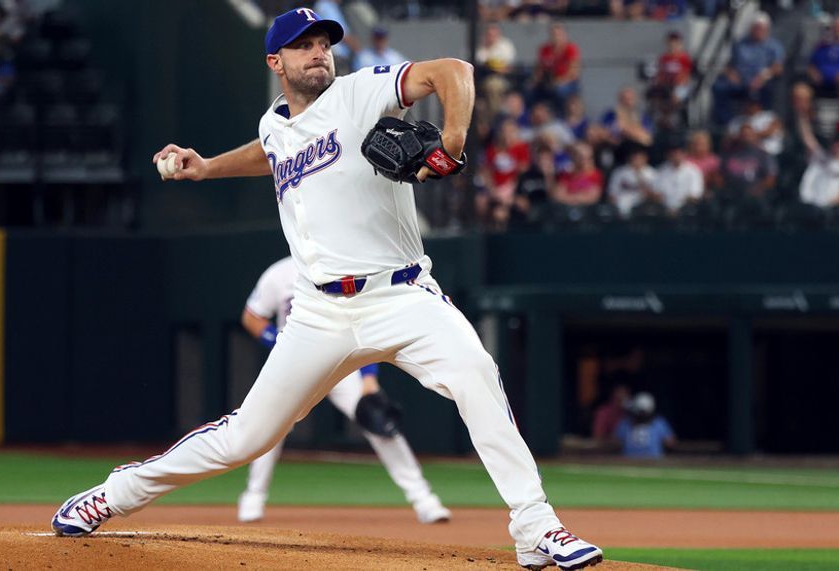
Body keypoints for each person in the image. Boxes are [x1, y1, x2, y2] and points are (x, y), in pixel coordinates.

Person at [50, 8, 603, 570]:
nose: (318, 52)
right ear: (276, 62)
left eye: (323, 43)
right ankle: (115, 495)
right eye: (302, 45)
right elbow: (271, 152)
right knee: (247, 438)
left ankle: (536, 528)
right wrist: (208, 167)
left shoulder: (360, 94)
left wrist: (453, 145)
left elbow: (453, 70)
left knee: (477, 375)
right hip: (318, 312)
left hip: (403, 295)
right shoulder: (275, 125)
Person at [236, 256, 451, 524]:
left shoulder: (347, 266)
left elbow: (365, 326)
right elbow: (252, 316)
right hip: (296, 364)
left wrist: (369, 379)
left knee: (377, 421)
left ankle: (424, 500)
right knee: (271, 427)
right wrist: (277, 341)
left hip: (341, 364)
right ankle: (253, 497)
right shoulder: (279, 273)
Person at [711, 12, 784, 125]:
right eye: (756, 28)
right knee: (719, 87)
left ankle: (762, 124)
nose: (758, 31)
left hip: (761, 82)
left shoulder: (774, 46)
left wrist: (764, 77)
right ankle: (727, 124)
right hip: (740, 80)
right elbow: (730, 64)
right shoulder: (741, 43)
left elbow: (778, 67)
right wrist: (731, 74)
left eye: (761, 28)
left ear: (767, 29)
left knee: (764, 92)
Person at [717, 124, 777, 200]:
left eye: (749, 135)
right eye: (743, 135)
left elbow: (771, 179)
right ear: (739, 137)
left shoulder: (763, 155)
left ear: (754, 136)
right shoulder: (729, 154)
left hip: (756, 193)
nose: (746, 137)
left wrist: (759, 189)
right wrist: (723, 188)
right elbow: (720, 175)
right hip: (732, 193)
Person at [531, 23, 580, 112]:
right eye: (553, 34)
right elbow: (539, 68)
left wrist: (558, 82)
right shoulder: (545, 49)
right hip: (549, 81)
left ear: (565, 35)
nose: (556, 37)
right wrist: (536, 80)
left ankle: (560, 117)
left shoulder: (571, 49)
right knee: (530, 91)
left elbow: (573, 73)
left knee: (559, 91)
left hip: (567, 82)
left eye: (559, 34)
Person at [806, 17, 839, 100]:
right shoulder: (821, 46)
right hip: (820, 83)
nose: (838, 30)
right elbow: (811, 65)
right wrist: (814, 74)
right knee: (801, 92)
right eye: (836, 27)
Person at [615, 392, 676, 459]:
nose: (642, 414)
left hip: (652, 462)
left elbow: (670, 443)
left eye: (643, 412)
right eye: (640, 412)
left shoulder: (658, 422)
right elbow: (615, 442)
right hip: (629, 461)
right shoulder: (626, 422)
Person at [607, 146, 658, 217]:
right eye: (635, 157)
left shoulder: (652, 173)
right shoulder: (620, 172)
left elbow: (655, 196)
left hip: (642, 208)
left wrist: (639, 177)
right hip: (621, 208)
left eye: (640, 157)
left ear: (645, 158)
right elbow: (611, 194)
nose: (637, 160)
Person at [654, 144, 704, 213]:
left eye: (679, 153)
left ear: (684, 154)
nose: (676, 156)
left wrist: (679, 209)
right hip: (664, 210)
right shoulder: (661, 171)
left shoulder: (693, 171)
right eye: (673, 154)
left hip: (686, 211)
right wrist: (668, 208)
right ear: (668, 155)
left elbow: (695, 195)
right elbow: (656, 194)